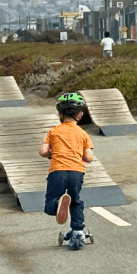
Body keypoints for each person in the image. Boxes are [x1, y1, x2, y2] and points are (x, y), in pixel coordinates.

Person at [39, 92, 95, 250]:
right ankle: (78, 231)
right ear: (81, 114)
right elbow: (89, 157)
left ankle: (57, 205)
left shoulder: (54, 131)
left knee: (50, 203)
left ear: (59, 114)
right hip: (77, 172)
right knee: (76, 201)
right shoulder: (83, 134)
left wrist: (52, 154)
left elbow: (43, 151)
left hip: (57, 171)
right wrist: (81, 157)